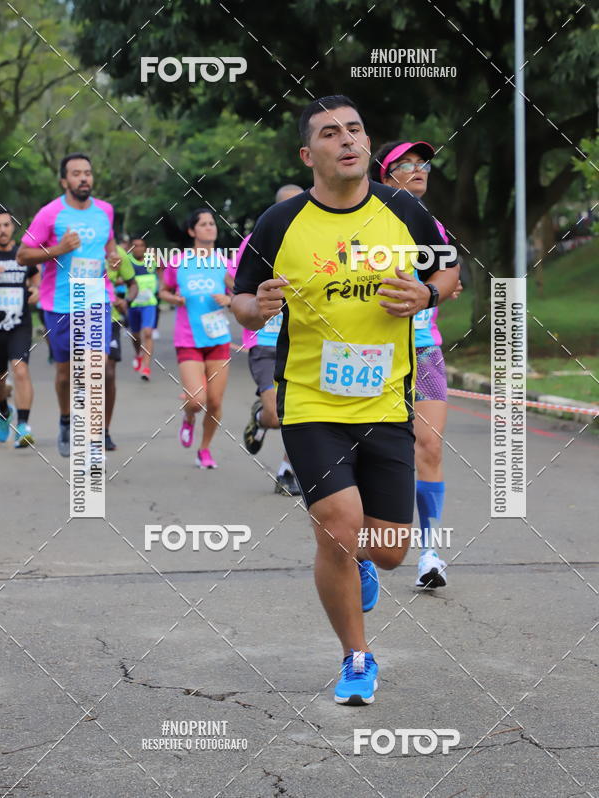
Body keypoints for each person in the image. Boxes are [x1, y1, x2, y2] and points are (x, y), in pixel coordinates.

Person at [232, 95, 459, 706]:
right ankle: (357, 658)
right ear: (310, 154)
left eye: (355, 129)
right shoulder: (278, 225)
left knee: (388, 552)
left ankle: (355, 558)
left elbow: (450, 273)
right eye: (331, 134)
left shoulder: (405, 212)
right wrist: (260, 306)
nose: (348, 140)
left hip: (386, 403)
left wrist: (426, 297)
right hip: (310, 401)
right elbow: (242, 301)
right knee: (335, 526)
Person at [371, 140, 462, 589]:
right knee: (369, 452)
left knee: (429, 446)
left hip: (423, 348)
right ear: (384, 177)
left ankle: (430, 552)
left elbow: (448, 277)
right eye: (404, 164)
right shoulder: (366, 223)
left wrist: (439, 288)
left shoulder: (435, 227)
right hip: (374, 352)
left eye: (422, 162)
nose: (417, 169)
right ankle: (365, 548)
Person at [17, 152, 117, 457]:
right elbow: (23, 255)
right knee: (65, 373)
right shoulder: (50, 214)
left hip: (97, 300)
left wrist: (113, 257)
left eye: (87, 172)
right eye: (76, 173)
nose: (84, 178)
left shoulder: (106, 211)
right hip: (60, 303)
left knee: (95, 366)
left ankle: (91, 435)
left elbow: (109, 244)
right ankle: (65, 420)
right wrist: (58, 249)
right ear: (64, 180)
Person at [231, 184, 303, 497]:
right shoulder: (257, 240)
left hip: (304, 342)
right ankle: (260, 417)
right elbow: (238, 286)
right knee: (275, 415)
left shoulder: (319, 238)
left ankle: (288, 469)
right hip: (265, 342)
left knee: (299, 413)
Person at [160, 208, 232, 469]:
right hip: (188, 338)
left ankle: (204, 449)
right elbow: (163, 291)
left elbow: (241, 295)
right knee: (196, 400)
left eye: (212, 223)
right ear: (192, 231)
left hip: (218, 337)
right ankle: (189, 418)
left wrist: (230, 299)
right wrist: (174, 298)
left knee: (214, 402)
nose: (210, 227)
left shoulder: (225, 262)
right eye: (203, 224)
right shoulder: (178, 261)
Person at [0, 206, 40, 447]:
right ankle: (4, 412)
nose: (2, 230)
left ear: (13, 227)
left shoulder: (22, 255)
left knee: (20, 370)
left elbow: (37, 278)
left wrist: (35, 290)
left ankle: (23, 425)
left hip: (19, 325)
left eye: (6, 225)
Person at [105, 243, 138, 450]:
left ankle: (103, 431)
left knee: (107, 373)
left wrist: (126, 300)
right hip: (78, 318)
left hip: (109, 320)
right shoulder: (73, 248)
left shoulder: (117, 254)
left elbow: (132, 284)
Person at [126, 235, 157, 381]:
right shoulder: (127, 262)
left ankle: (146, 367)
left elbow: (161, 272)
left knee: (148, 333)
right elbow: (120, 278)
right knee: (136, 335)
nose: (138, 248)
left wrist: (161, 287)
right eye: (135, 245)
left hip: (149, 303)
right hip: (133, 304)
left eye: (141, 245)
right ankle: (138, 353)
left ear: (145, 248)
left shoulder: (152, 260)